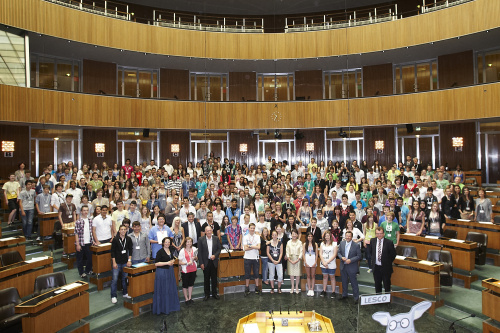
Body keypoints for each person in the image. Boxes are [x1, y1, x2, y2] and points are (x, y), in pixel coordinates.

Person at [152, 237, 181, 314]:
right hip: (162, 272)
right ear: (163, 243)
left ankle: (170, 306)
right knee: (163, 290)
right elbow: (156, 264)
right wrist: (167, 263)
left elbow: (172, 259)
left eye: (169, 242)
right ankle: (163, 308)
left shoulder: (170, 250)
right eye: (166, 242)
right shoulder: (160, 252)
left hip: (170, 272)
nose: (167, 243)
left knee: (169, 289)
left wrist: (172, 261)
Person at [368, 227, 397, 294]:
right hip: (376, 267)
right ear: (375, 234)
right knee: (377, 284)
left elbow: (393, 254)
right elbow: (371, 252)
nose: (379, 235)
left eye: (381, 233)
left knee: (387, 284)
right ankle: (378, 298)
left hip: (386, 267)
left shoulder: (389, 242)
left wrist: (387, 262)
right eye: (377, 233)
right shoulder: (372, 241)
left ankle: (387, 300)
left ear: (384, 234)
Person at [110, 225, 133, 304]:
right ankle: (113, 296)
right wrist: (114, 262)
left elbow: (130, 250)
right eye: (121, 229)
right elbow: (112, 252)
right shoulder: (115, 239)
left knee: (125, 278)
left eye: (124, 229)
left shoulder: (128, 239)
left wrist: (129, 260)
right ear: (119, 231)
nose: (123, 231)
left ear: (126, 230)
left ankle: (125, 293)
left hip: (125, 262)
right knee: (115, 279)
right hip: (117, 262)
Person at [198, 225, 221, 300]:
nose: (209, 232)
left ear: (212, 231)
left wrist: (215, 255)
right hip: (205, 262)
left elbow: (219, 249)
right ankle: (207, 294)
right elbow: (200, 252)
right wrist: (201, 263)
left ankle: (214, 293)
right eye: (207, 231)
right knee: (206, 279)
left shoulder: (216, 238)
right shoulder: (201, 239)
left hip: (214, 261)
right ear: (205, 232)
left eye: (210, 230)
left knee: (214, 279)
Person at [338, 230, 361, 303]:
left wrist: (350, 260)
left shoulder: (356, 245)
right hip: (343, 266)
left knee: (353, 282)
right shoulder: (342, 243)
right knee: (344, 281)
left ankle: (356, 298)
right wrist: (341, 257)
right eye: (346, 236)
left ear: (351, 237)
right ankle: (344, 295)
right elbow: (338, 252)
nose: (347, 237)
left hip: (352, 266)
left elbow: (359, 256)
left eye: (349, 236)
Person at [74, 205, 94, 278]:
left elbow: (91, 232)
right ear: (81, 212)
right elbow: (76, 233)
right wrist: (77, 244)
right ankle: (81, 272)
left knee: (90, 258)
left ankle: (88, 270)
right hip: (81, 243)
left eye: (87, 210)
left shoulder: (90, 220)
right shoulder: (78, 221)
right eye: (84, 210)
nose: (86, 212)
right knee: (80, 259)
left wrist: (93, 241)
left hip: (89, 242)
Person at [243, 223, 262, 296]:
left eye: (254, 228)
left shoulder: (257, 237)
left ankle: (257, 288)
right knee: (247, 274)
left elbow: (259, 247)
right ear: (248, 228)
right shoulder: (245, 237)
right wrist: (254, 246)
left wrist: (250, 245)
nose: (252, 229)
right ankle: (247, 288)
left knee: (256, 274)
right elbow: (245, 248)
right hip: (247, 258)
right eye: (251, 228)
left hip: (255, 258)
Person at [178, 237, 198, 305]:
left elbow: (197, 258)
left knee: (191, 284)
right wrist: (186, 263)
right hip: (185, 270)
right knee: (185, 285)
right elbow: (179, 262)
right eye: (187, 242)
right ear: (185, 243)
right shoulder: (182, 251)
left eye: (190, 242)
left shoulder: (194, 249)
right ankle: (186, 299)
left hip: (193, 269)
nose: (189, 243)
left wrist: (195, 258)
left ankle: (190, 298)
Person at [319, 230, 337, 298]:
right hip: (323, 263)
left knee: (332, 277)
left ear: (330, 236)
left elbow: (334, 255)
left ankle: (333, 292)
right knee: (325, 277)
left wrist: (327, 262)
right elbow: (320, 253)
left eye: (328, 236)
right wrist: (324, 262)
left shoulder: (334, 244)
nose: (327, 237)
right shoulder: (322, 244)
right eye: (326, 236)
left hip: (331, 263)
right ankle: (324, 290)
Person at [286, 229, 303, 294]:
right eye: (293, 234)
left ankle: (296, 287)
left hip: (298, 259)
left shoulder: (300, 242)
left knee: (297, 274)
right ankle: (292, 287)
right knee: (292, 274)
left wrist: (298, 259)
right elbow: (287, 251)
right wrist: (289, 259)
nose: (294, 235)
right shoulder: (288, 242)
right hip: (290, 259)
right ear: (291, 234)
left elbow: (301, 251)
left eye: (295, 234)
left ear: (297, 235)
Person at [267, 229, 284, 294]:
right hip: (271, 261)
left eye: (275, 235)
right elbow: (268, 253)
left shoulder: (280, 243)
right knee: (272, 274)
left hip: (279, 261)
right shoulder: (269, 243)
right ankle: (272, 288)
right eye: (273, 235)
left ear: (277, 236)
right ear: (271, 236)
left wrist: (278, 260)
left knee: (280, 275)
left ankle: (279, 288)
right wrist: (273, 260)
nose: (274, 236)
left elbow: (281, 252)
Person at [303, 232, 318, 297]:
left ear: (312, 237)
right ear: (307, 237)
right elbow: (303, 254)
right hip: (307, 260)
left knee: (313, 276)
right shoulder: (304, 244)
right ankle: (309, 289)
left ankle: (312, 289)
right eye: (308, 236)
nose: (310, 237)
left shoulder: (315, 244)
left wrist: (315, 262)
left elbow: (317, 254)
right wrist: (305, 262)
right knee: (308, 276)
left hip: (313, 260)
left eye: (311, 236)